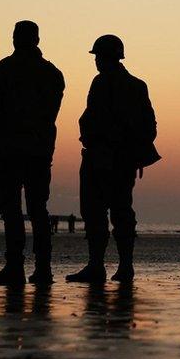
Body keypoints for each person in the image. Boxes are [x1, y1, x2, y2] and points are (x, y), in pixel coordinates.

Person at [66, 34, 159, 283]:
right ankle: (120, 266)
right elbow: (150, 127)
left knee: (100, 212)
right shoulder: (136, 85)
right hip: (117, 159)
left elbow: (95, 119)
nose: (96, 61)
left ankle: (100, 266)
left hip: (105, 158)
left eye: (98, 56)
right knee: (117, 211)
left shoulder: (105, 83)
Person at [0, 21, 64, 285]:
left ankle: (22, 268)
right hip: (35, 150)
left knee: (16, 209)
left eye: (19, 36)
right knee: (33, 209)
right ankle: (38, 268)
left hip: (17, 149)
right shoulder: (50, 72)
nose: (16, 40)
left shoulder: (7, 68)